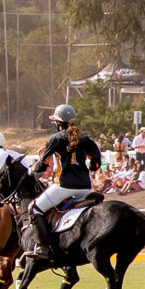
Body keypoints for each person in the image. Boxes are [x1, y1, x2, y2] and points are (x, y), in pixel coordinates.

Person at [29, 104, 105, 256]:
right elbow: (96, 162)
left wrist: (32, 170)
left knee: (34, 209)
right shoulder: (86, 139)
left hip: (63, 186)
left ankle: (42, 246)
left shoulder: (55, 139)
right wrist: (89, 167)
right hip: (85, 187)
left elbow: (42, 166)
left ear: (58, 122)